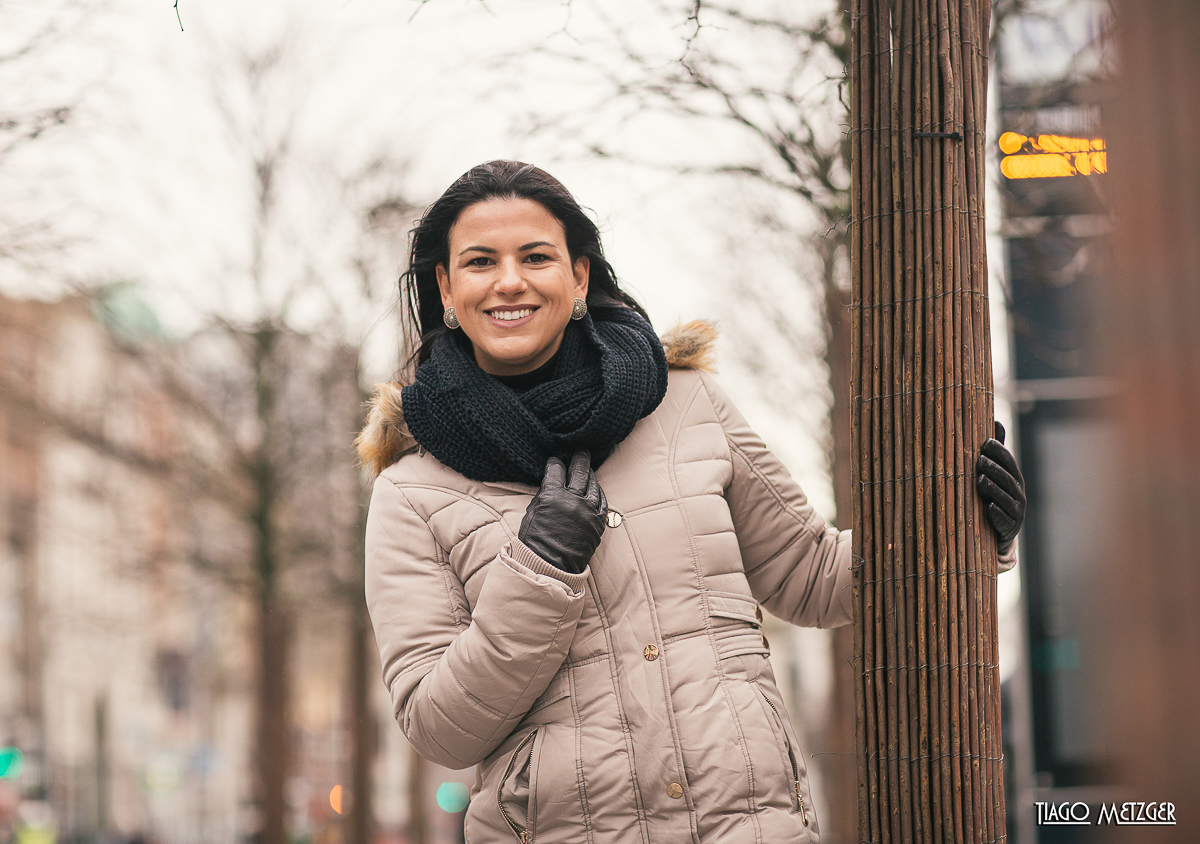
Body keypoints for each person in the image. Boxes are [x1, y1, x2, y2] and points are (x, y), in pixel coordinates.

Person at [357, 160, 1025, 844]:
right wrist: (540, 570)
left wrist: (961, 526)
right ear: (446, 287)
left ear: (579, 277)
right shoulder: (412, 490)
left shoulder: (686, 403)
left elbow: (814, 577)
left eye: (535, 257)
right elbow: (440, 728)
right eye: (480, 262)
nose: (509, 281)